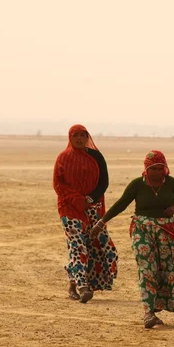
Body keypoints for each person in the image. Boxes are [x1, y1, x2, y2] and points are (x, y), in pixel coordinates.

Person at [90, 150, 174, 328]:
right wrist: (101, 223)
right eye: (154, 169)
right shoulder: (137, 185)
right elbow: (121, 204)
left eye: (160, 168)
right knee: (147, 268)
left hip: (166, 230)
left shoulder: (171, 183)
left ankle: (157, 306)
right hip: (142, 229)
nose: (158, 172)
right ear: (146, 169)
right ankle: (148, 312)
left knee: (169, 269)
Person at [53, 124, 118, 303]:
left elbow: (104, 182)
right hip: (69, 208)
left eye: (83, 135)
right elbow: (59, 185)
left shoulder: (96, 156)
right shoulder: (63, 158)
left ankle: (73, 282)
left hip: (93, 208)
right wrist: (76, 199)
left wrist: (89, 199)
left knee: (103, 247)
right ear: (70, 138)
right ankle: (82, 287)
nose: (80, 139)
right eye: (76, 136)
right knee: (78, 246)